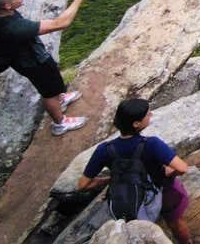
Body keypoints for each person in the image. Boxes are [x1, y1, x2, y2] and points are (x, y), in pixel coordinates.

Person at [77, 98, 192, 243]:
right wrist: (166, 172)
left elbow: (82, 185)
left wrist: (109, 179)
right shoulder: (152, 144)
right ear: (136, 124)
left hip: (128, 200)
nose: (151, 114)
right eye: (147, 114)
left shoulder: (104, 150)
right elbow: (182, 168)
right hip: (161, 188)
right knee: (176, 222)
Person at [0, 0, 86, 136]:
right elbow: (60, 23)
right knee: (48, 92)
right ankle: (60, 123)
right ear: (8, 6)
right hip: (33, 62)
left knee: (53, 83)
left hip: (25, 56)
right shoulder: (14, 28)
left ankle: (60, 97)